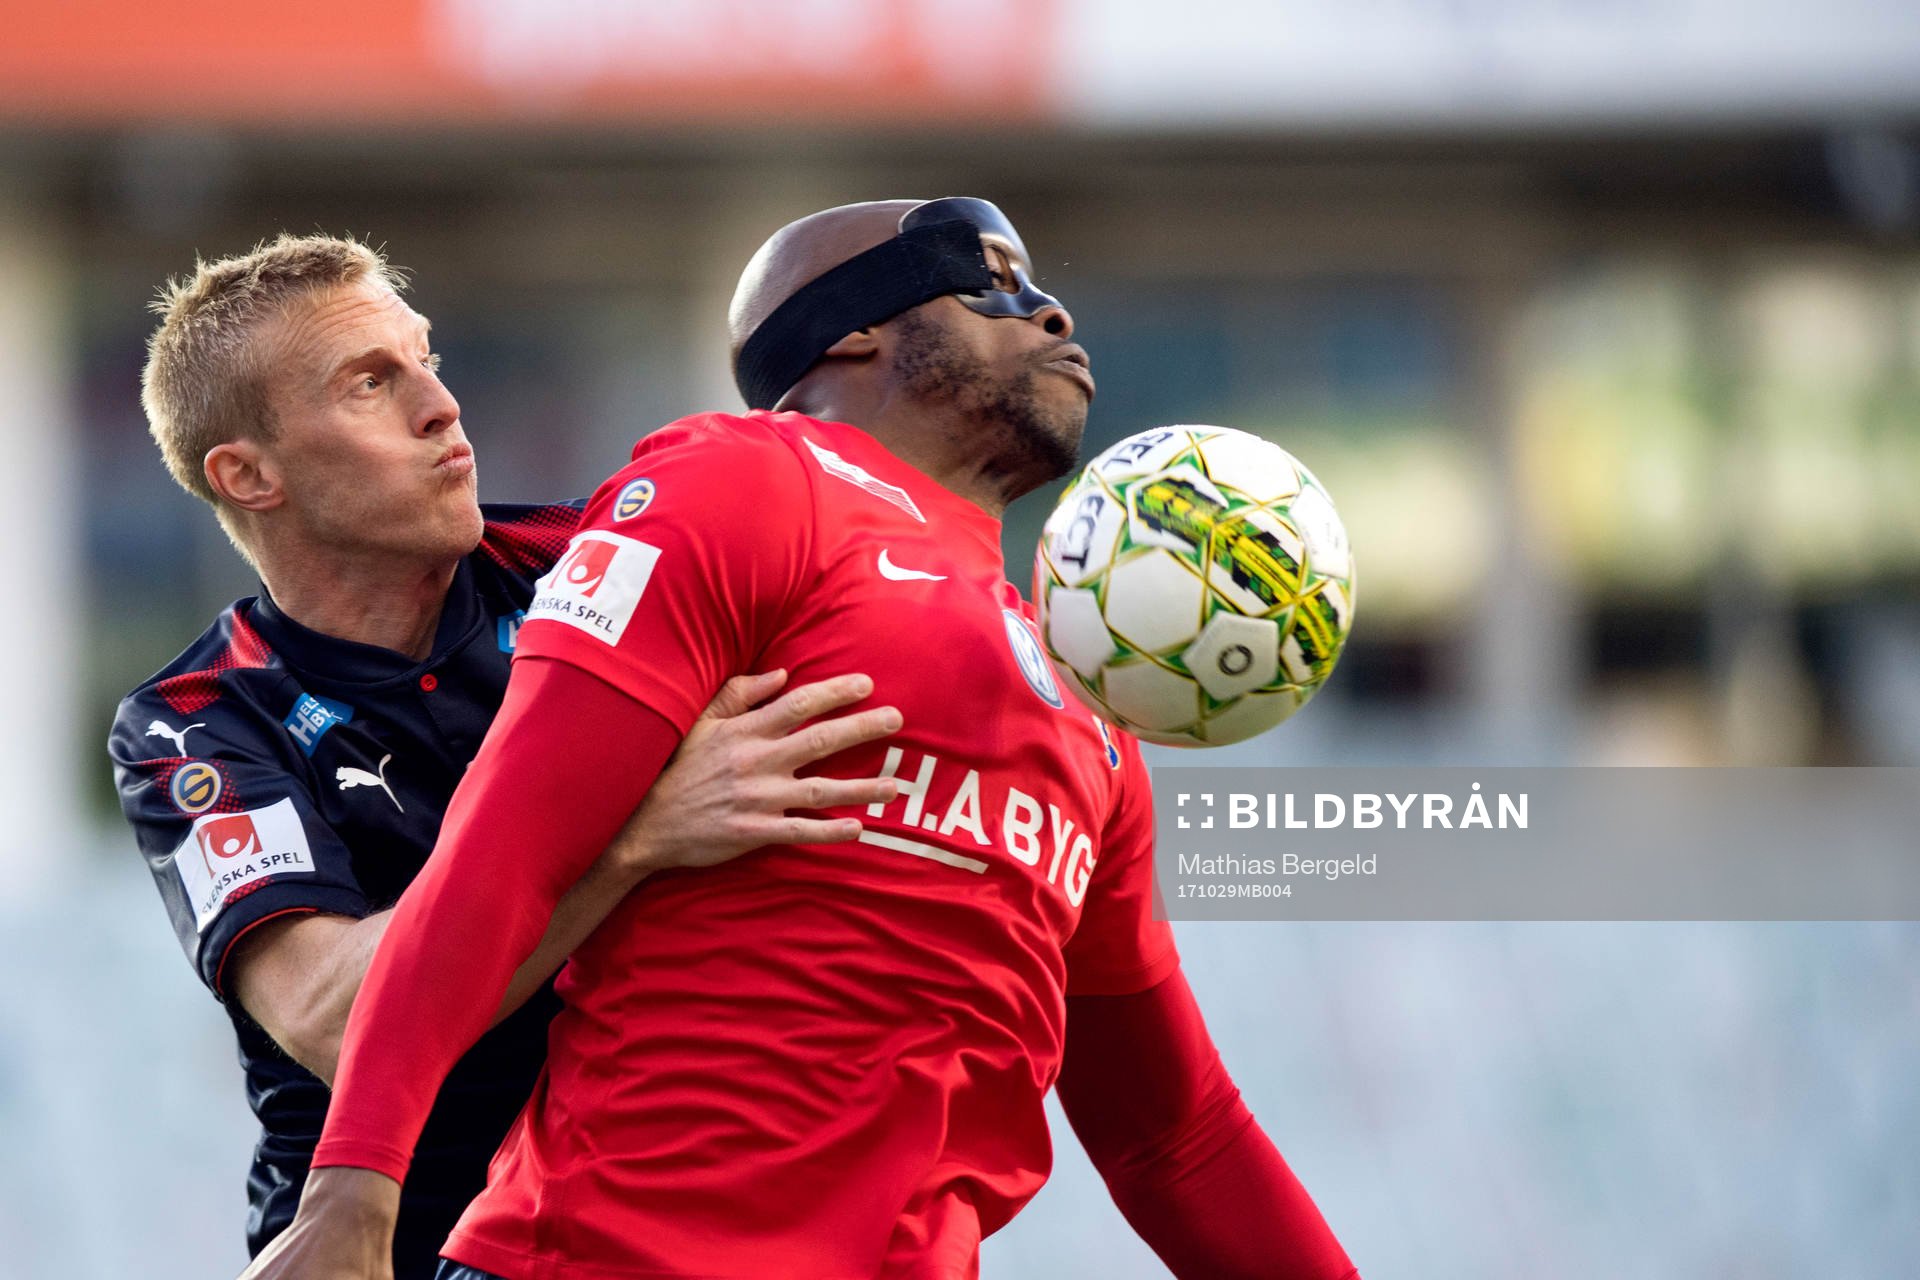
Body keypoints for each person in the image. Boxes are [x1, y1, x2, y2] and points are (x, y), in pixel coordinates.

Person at [249, 201, 1360, 1280]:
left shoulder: (1095, 714)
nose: (1052, 313)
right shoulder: (740, 481)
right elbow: (506, 847)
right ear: (853, 330)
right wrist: (355, 1186)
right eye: (989, 282)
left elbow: (1176, 1134)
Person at [108, 233, 903, 1277]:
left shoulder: (590, 557)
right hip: (385, 1242)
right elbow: (341, 1018)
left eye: (426, 359)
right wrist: (634, 838)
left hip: (643, 1221)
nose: (442, 405)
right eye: (369, 383)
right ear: (249, 473)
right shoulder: (196, 718)